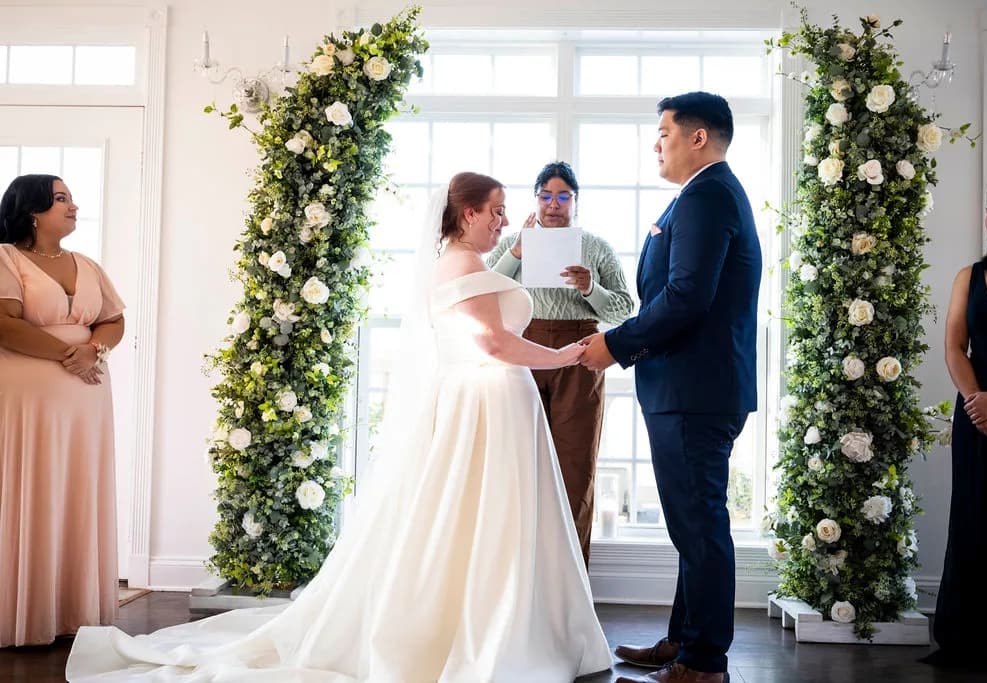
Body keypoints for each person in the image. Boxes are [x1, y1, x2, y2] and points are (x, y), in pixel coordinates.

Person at [65, 171, 613, 682]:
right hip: (486, 401)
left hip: (491, 401)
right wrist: (565, 356)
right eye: (495, 210)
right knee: (486, 516)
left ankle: (504, 623)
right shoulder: (464, 264)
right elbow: (493, 343)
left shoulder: (461, 261)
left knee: (485, 516)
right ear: (467, 214)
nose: (504, 220)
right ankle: (491, 632)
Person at [580, 92, 762, 683]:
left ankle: (704, 660)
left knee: (699, 522)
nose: (656, 143)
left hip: (695, 390)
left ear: (698, 137)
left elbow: (686, 298)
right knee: (692, 520)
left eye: (663, 132)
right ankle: (685, 641)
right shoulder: (704, 194)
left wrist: (615, 345)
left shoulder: (708, 196)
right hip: (694, 387)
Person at [0, 174, 125, 647]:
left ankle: (74, 611)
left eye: (72, 197)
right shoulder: (5, 258)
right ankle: (24, 613)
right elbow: (4, 326)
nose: (73, 206)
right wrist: (65, 355)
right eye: (60, 199)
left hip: (86, 397)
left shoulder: (87, 265)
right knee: (34, 488)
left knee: (76, 489)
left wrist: (94, 349)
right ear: (33, 210)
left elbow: (113, 319)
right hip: (29, 395)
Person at [487, 161, 633, 567]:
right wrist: (517, 252)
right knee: (517, 462)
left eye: (563, 196)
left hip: (581, 352)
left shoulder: (597, 247)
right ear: (535, 200)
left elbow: (624, 310)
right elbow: (482, 291)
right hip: (523, 349)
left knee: (575, 464)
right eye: (546, 196)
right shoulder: (514, 242)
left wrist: (590, 287)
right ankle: (517, 577)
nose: (554, 204)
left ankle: (572, 582)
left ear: (575, 201)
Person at [922, 178, 987, 674]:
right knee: (972, 525)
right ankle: (970, 640)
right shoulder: (970, 276)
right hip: (977, 418)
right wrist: (978, 404)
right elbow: (952, 347)